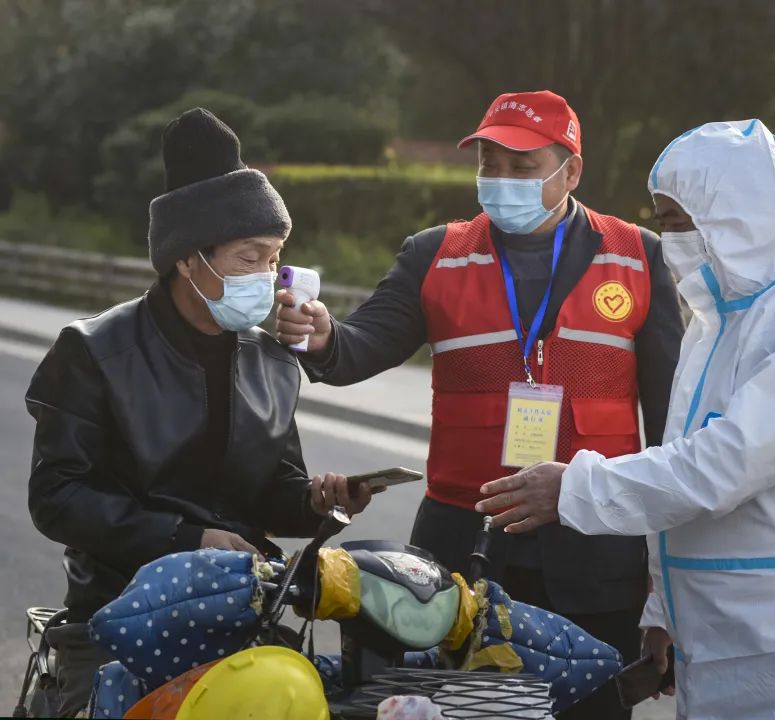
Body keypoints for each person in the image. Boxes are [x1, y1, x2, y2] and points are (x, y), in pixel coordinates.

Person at [276, 90, 683, 718]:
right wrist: (324, 337)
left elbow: (670, 431)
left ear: (570, 171)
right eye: (489, 164)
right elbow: (359, 347)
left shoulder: (638, 255)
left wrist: (670, 587)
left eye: (522, 167)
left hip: (597, 551)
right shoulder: (432, 253)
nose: (500, 180)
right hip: (460, 548)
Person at [477, 120, 775, 719]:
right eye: (662, 222)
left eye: (675, 223)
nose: (667, 241)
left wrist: (578, 485)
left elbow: (724, 464)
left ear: (735, 217)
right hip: (708, 625)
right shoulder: (716, 321)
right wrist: (663, 611)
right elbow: (680, 462)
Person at [25, 108, 374, 717]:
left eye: (275, 258)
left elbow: (272, 490)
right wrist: (187, 541)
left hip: (241, 615)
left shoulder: (270, 360)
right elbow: (56, 496)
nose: (267, 279)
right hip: (118, 617)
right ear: (188, 258)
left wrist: (316, 501)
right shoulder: (94, 352)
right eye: (249, 258)